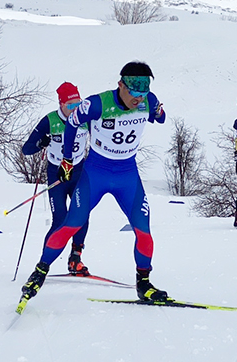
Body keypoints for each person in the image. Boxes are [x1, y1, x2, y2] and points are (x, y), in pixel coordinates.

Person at [20, 61, 167, 305]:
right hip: (95, 174)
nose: (138, 99)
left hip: (127, 175)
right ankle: (40, 272)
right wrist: (67, 159)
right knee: (70, 224)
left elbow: (159, 118)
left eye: (143, 93)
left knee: (144, 232)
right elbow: (72, 123)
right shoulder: (97, 104)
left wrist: (160, 112)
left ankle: (144, 284)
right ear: (120, 85)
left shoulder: (148, 100)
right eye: (134, 93)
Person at [22, 82, 91, 275]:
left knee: (81, 215)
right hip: (57, 174)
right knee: (60, 219)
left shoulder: (85, 118)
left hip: (78, 171)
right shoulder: (50, 121)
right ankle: (43, 264)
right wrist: (40, 142)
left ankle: (75, 259)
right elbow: (26, 150)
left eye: (78, 104)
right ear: (61, 104)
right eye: (70, 106)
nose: (75, 109)